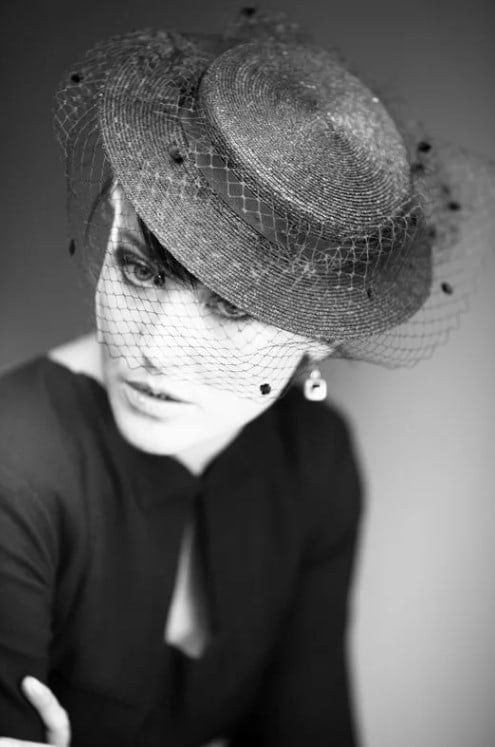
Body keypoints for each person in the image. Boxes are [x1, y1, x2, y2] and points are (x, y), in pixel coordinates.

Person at [0, 8, 493, 747]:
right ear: (116, 214)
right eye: (138, 270)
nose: (154, 348)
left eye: (229, 307)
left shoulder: (312, 461)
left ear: (321, 333)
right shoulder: (14, 468)